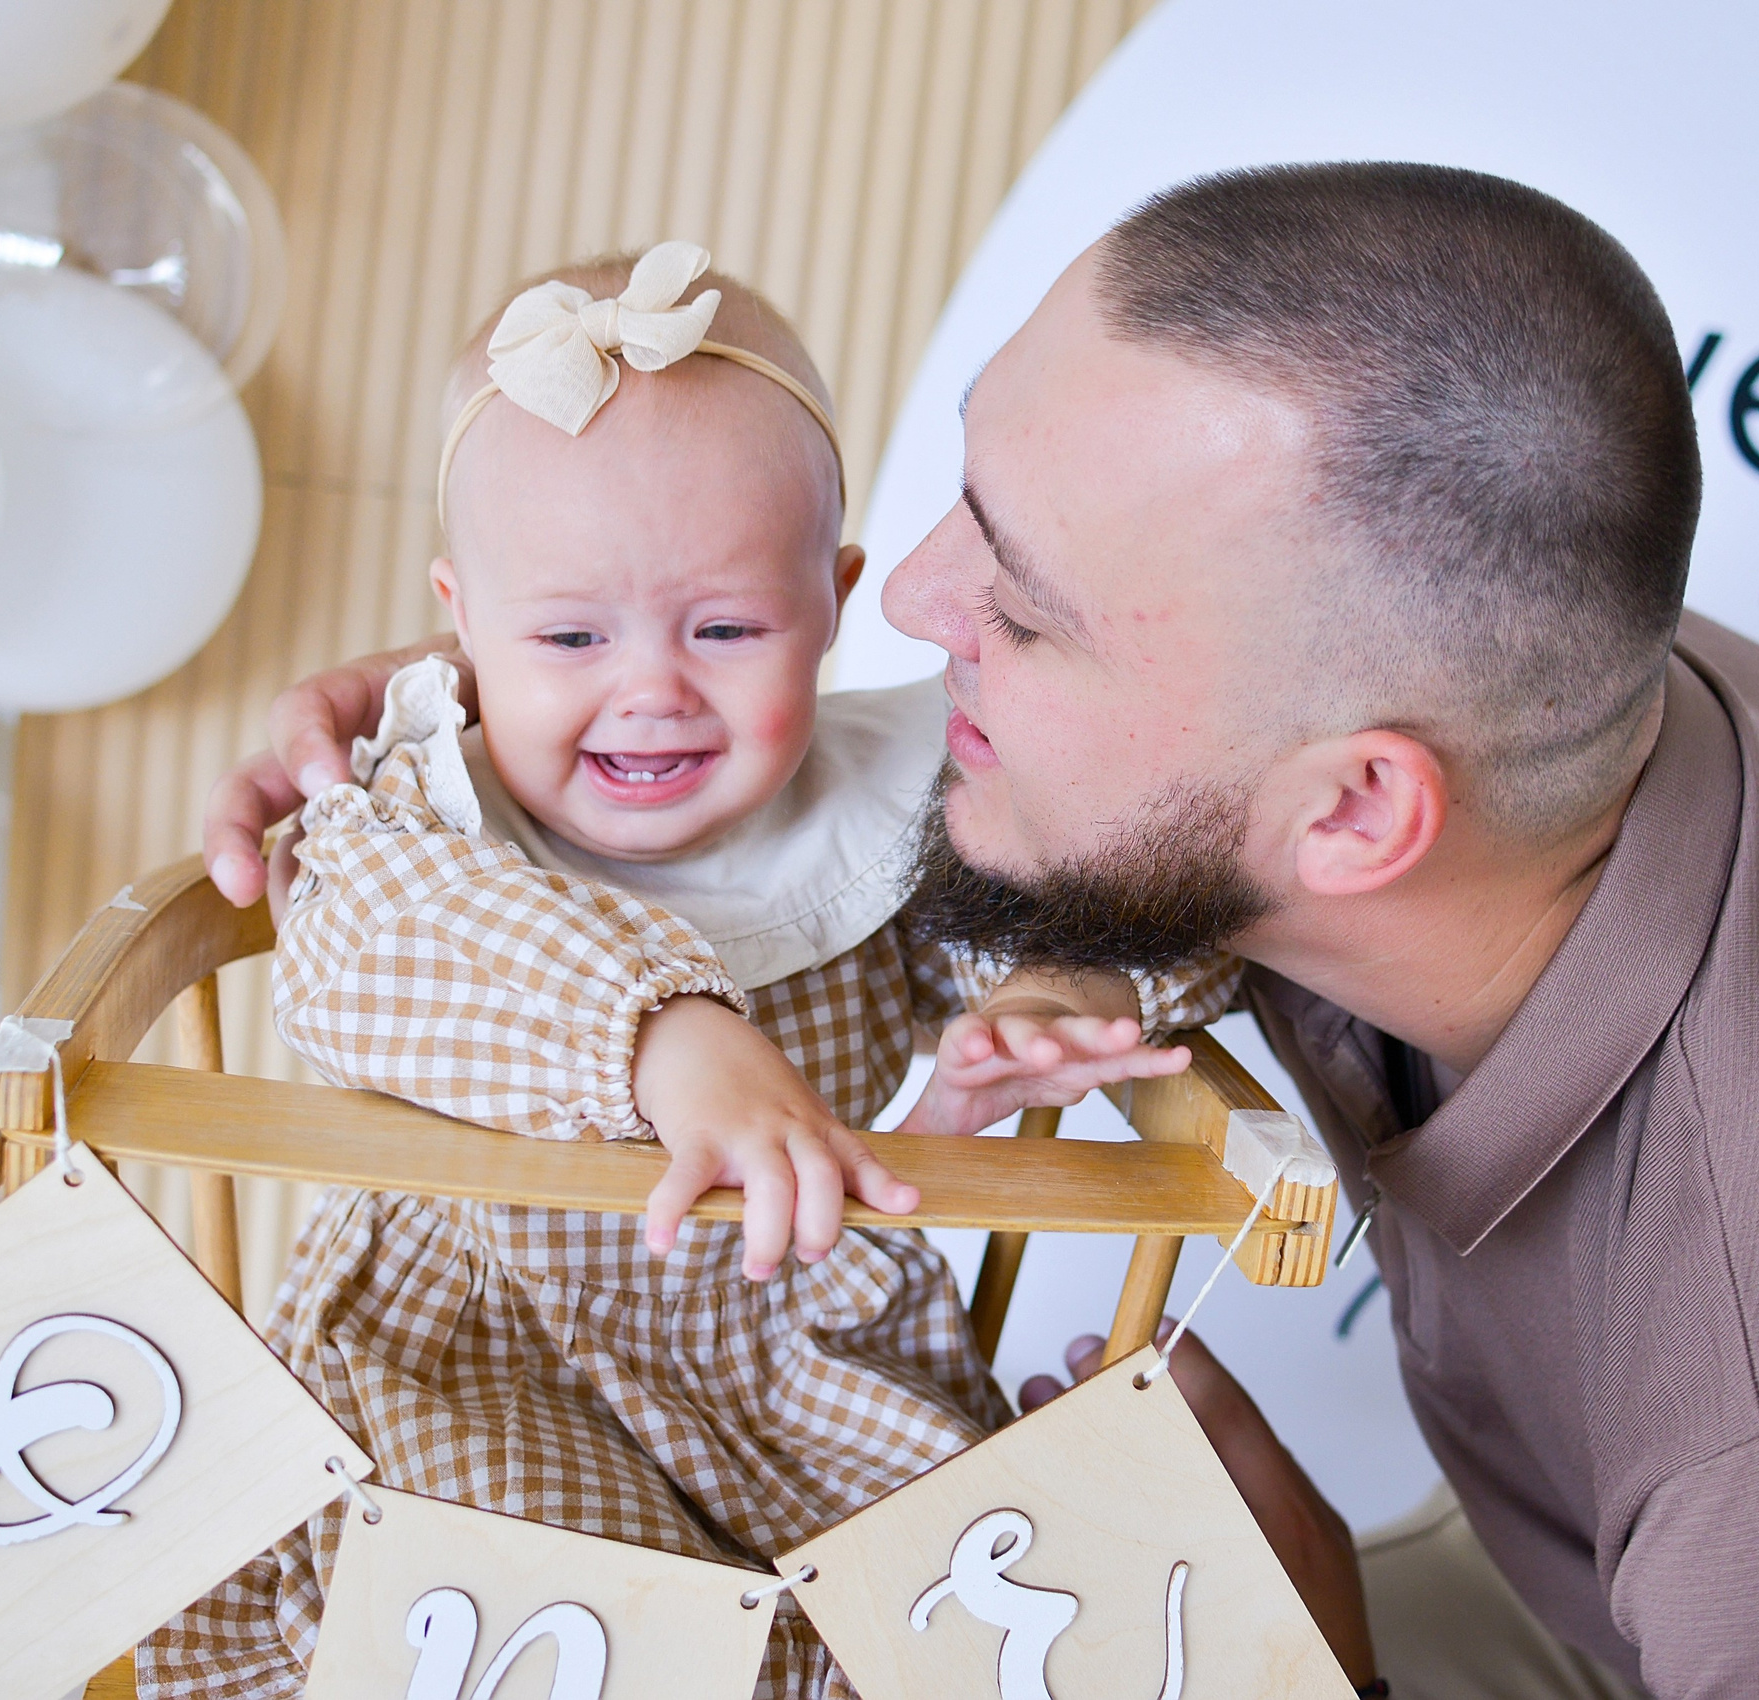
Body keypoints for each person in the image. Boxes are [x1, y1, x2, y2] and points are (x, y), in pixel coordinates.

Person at [208, 167, 1759, 1696]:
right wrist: (488, 714)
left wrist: (1320, 1676)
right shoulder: (1501, 690)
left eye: (1020, 608)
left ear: (1353, 814)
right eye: (962, 490)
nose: (903, 613)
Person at [154, 244, 1231, 1700]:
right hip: (482, 1346)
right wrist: (667, 1034)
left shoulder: (880, 798)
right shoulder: (420, 821)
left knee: (937, 1612)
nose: (652, 688)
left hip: (804, 1340)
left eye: (726, 629)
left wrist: (1051, 999)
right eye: (570, 635)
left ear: (836, 600)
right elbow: (365, 956)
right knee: (556, 1608)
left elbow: (1091, 853)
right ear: (462, 626)